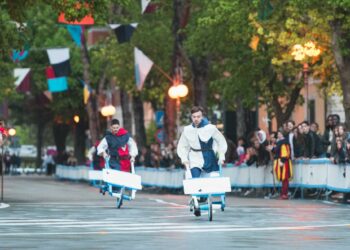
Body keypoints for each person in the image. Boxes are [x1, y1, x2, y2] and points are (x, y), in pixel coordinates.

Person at [177, 106, 227, 216]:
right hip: (194, 157)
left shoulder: (211, 128)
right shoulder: (187, 130)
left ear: (202, 116)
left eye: (198, 116)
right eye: (194, 117)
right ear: (191, 117)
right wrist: (184, 159)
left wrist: (221, 155)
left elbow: (221, 142)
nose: (196, 119)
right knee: (195, 180)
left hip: (209, 156)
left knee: (207, 184)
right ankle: (196, 203)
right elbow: (182, 146)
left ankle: (201, 200)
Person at [272, 130, 293, 200]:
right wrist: (272, 149)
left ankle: (284, 194)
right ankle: (283, 193)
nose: (278, 135)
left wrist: (282, 161)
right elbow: (277, 151)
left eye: (280, 134)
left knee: (285, 178)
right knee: (283, 178)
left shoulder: (284, 142)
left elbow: (285, 153)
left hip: (284, 162)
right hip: (280, 161)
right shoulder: (279, 142)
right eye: (278, 134)